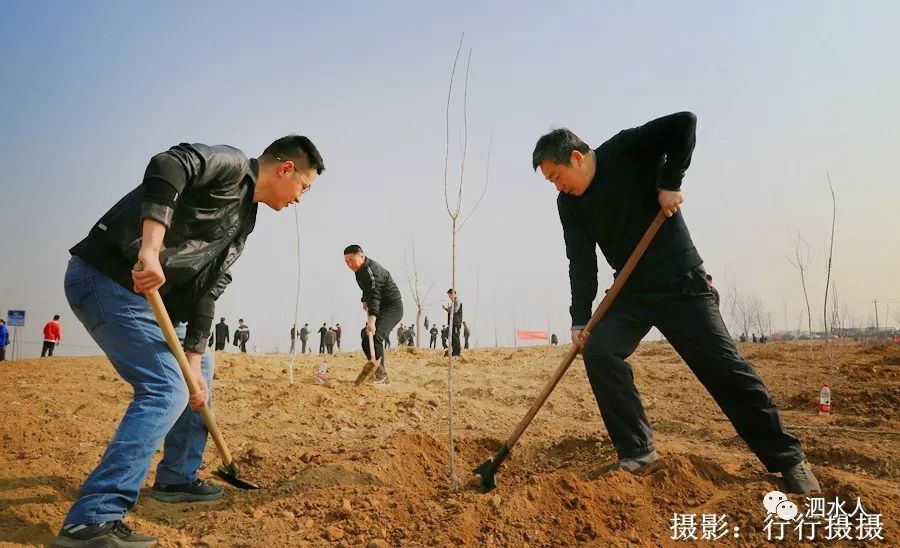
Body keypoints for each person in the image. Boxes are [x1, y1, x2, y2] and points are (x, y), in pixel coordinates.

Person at [53, 135, 325, 547]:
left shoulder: (245, 218)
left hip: (158, 301)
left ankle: (177, 477)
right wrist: (150, 249)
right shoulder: (231, 165)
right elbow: (168, 165)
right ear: (286, 169)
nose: (301, 198)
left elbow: (210, 287)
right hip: (109, 279)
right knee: (166, 388)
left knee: (201, 373)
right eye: (304, 186)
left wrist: (194, 359)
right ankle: (92, 519)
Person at [532, 112, 818, 494]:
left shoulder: (624, 150)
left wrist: (670, 183)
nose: (557, 187)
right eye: (550, 182)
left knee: (724, 369)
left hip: (680, 281)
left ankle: (788, 459)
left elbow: (684, 123)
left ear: (578, 158)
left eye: (556, 177)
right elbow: (580, 261)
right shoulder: (570, 206)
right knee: (600, 351)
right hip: (631, 290)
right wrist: (580, 320)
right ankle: (637, 451)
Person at [343, 245, 403, 385]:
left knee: (375, 336)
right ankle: (377, 371)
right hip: (380, 307)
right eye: (346, 261)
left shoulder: (372, 271)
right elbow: (367, 289)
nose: (349, 264)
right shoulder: (360, 270)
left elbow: (375, 294)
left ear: (362, 256)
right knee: (366, 338)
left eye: (352, 260)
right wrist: (364, 299)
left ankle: (381, 377)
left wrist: (372, 320)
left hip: (392, 307)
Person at [442, 289, 463, 356]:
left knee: (456, 338)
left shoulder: (457, 301)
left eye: (449, 295)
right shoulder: (454, 301)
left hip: (456, 323)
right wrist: (446, 308)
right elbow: (451, 310)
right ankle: (454, 352)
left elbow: (454, 311)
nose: (449, 297)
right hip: (453, 323)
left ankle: (457, 353)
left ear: (452, 294)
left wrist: (448, 309)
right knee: (453, 338)